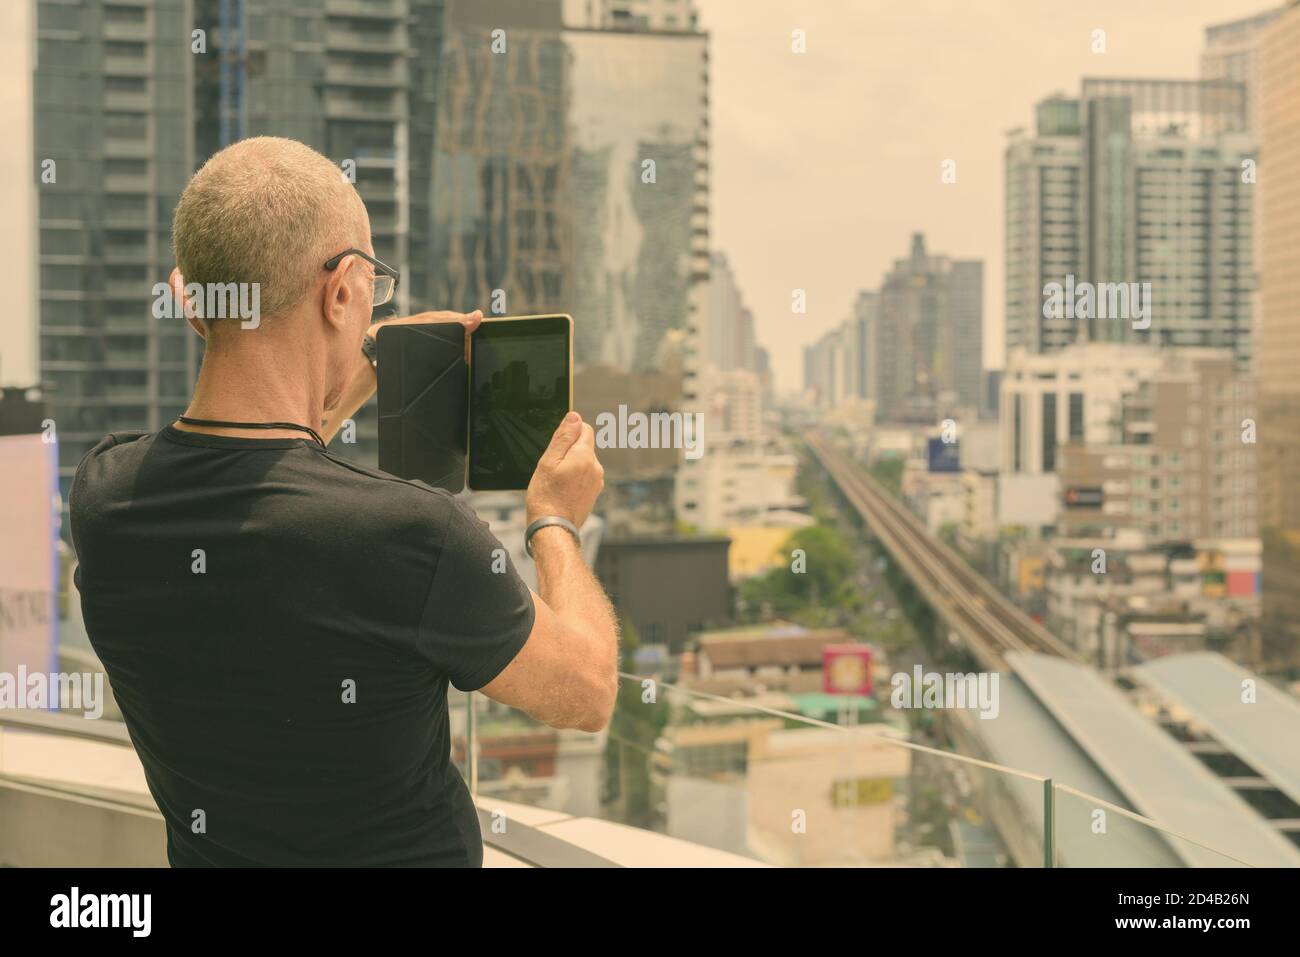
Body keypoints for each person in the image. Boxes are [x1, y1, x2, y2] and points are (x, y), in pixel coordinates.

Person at [69, 137, 619, 867]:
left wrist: (366, 355)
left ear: (191, 304)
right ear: (338, 291)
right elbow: (587, 690)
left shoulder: (106, 498)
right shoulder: (414, 533)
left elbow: (259, 463)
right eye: (370, 289)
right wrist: (555, 519)